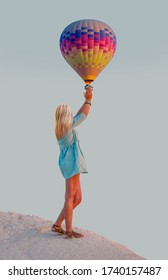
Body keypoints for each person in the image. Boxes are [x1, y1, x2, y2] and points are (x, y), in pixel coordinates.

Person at [52, 86, 93, 238]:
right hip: (71, 164)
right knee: (70, 197)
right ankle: (68, 230)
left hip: (72, 164)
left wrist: (86, 100)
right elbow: (83, 116)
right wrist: (89, 101)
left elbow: (78, 115)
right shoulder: (67, 127)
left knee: (77, 199)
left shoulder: (62, 128)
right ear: (65, 117)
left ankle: (57, 224)